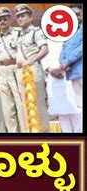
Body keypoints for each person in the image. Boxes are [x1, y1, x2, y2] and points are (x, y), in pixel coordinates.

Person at [15, 4, 50, 132]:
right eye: (18, 16)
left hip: (33, 69)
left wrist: (30, 61)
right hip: (21, 72)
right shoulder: (19, 35)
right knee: (26, 105)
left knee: (38, 104)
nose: (20, 19)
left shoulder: (36, 32)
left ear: (30, 17)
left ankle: (44, 134)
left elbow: (45, 50)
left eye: (23, 16)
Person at [0, 6, 25, 133]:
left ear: (10, 19)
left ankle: (25, 132)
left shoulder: (18, 33)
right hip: (2, 72)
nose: (2, 22)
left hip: (15, 69)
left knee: (20, 103)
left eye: (4, 19)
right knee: (7, 107)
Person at [42, 39, 81, 133]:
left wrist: (63, 67)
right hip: (53, 78)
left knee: (77, 109)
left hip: (70, 73)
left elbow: (75, 53)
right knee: (62, 112)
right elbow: (43, 58)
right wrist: (50, 70)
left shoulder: (71, 36)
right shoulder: (45, 39)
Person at [59, 4, 83, 132]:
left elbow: (80, 50)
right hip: (73, 73)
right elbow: (63, 50)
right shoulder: (69, 32)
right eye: (73, 15)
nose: (76, 17)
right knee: (79, 106)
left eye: (78, 14)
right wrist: (62, 63)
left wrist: (67, 62)